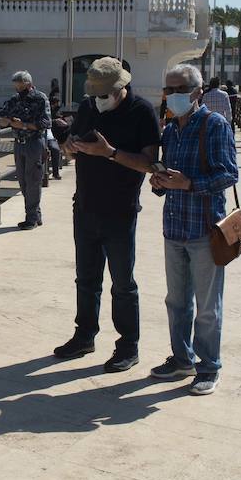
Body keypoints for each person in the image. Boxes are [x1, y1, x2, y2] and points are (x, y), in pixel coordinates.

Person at [57, 57, 161, 373]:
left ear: (120, 88)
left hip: (120, 210)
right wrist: (70, 148)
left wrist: (110, 153)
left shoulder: (142, 112)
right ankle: (84, 335)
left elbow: (149, 164)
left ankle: (128, 346)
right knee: (86, 278)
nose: (100, 100)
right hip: (85, 206)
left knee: (122, 283)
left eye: (105, 94)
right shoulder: (88, 107)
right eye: (96, 94)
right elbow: (68, 147)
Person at [149, 62, 239, 395]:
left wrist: (189, 184)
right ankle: (181, 359)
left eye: (180, 89)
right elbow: (170, 179)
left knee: (208, 306)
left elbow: (228, 174)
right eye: (168, 89)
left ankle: (209, 367)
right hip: (174, 227)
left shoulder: (214, 126)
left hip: (204, 229)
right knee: (176, 301)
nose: (172, 95)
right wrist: (160, 182)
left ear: (198, 93)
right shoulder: (170, 130)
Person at [0, 71, 52, 229]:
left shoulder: (40, 98)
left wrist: (24, 125)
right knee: (23, 181)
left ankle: (31, 218)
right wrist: (3, 121)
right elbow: (0, 116)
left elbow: (46, 123)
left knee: (33, 180)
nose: (17, 88)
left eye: (19, 85)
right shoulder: (15, 99)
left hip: (34, 142)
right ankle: (36, 214)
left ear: (28, 83)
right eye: (16, 85)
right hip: (19, 143)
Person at [47, 95, 66, 180]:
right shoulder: (44, 110)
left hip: (50, 135)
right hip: (39, 136)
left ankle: (55, 173)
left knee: (55, 150)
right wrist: (55, 121)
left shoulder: (57, 110)